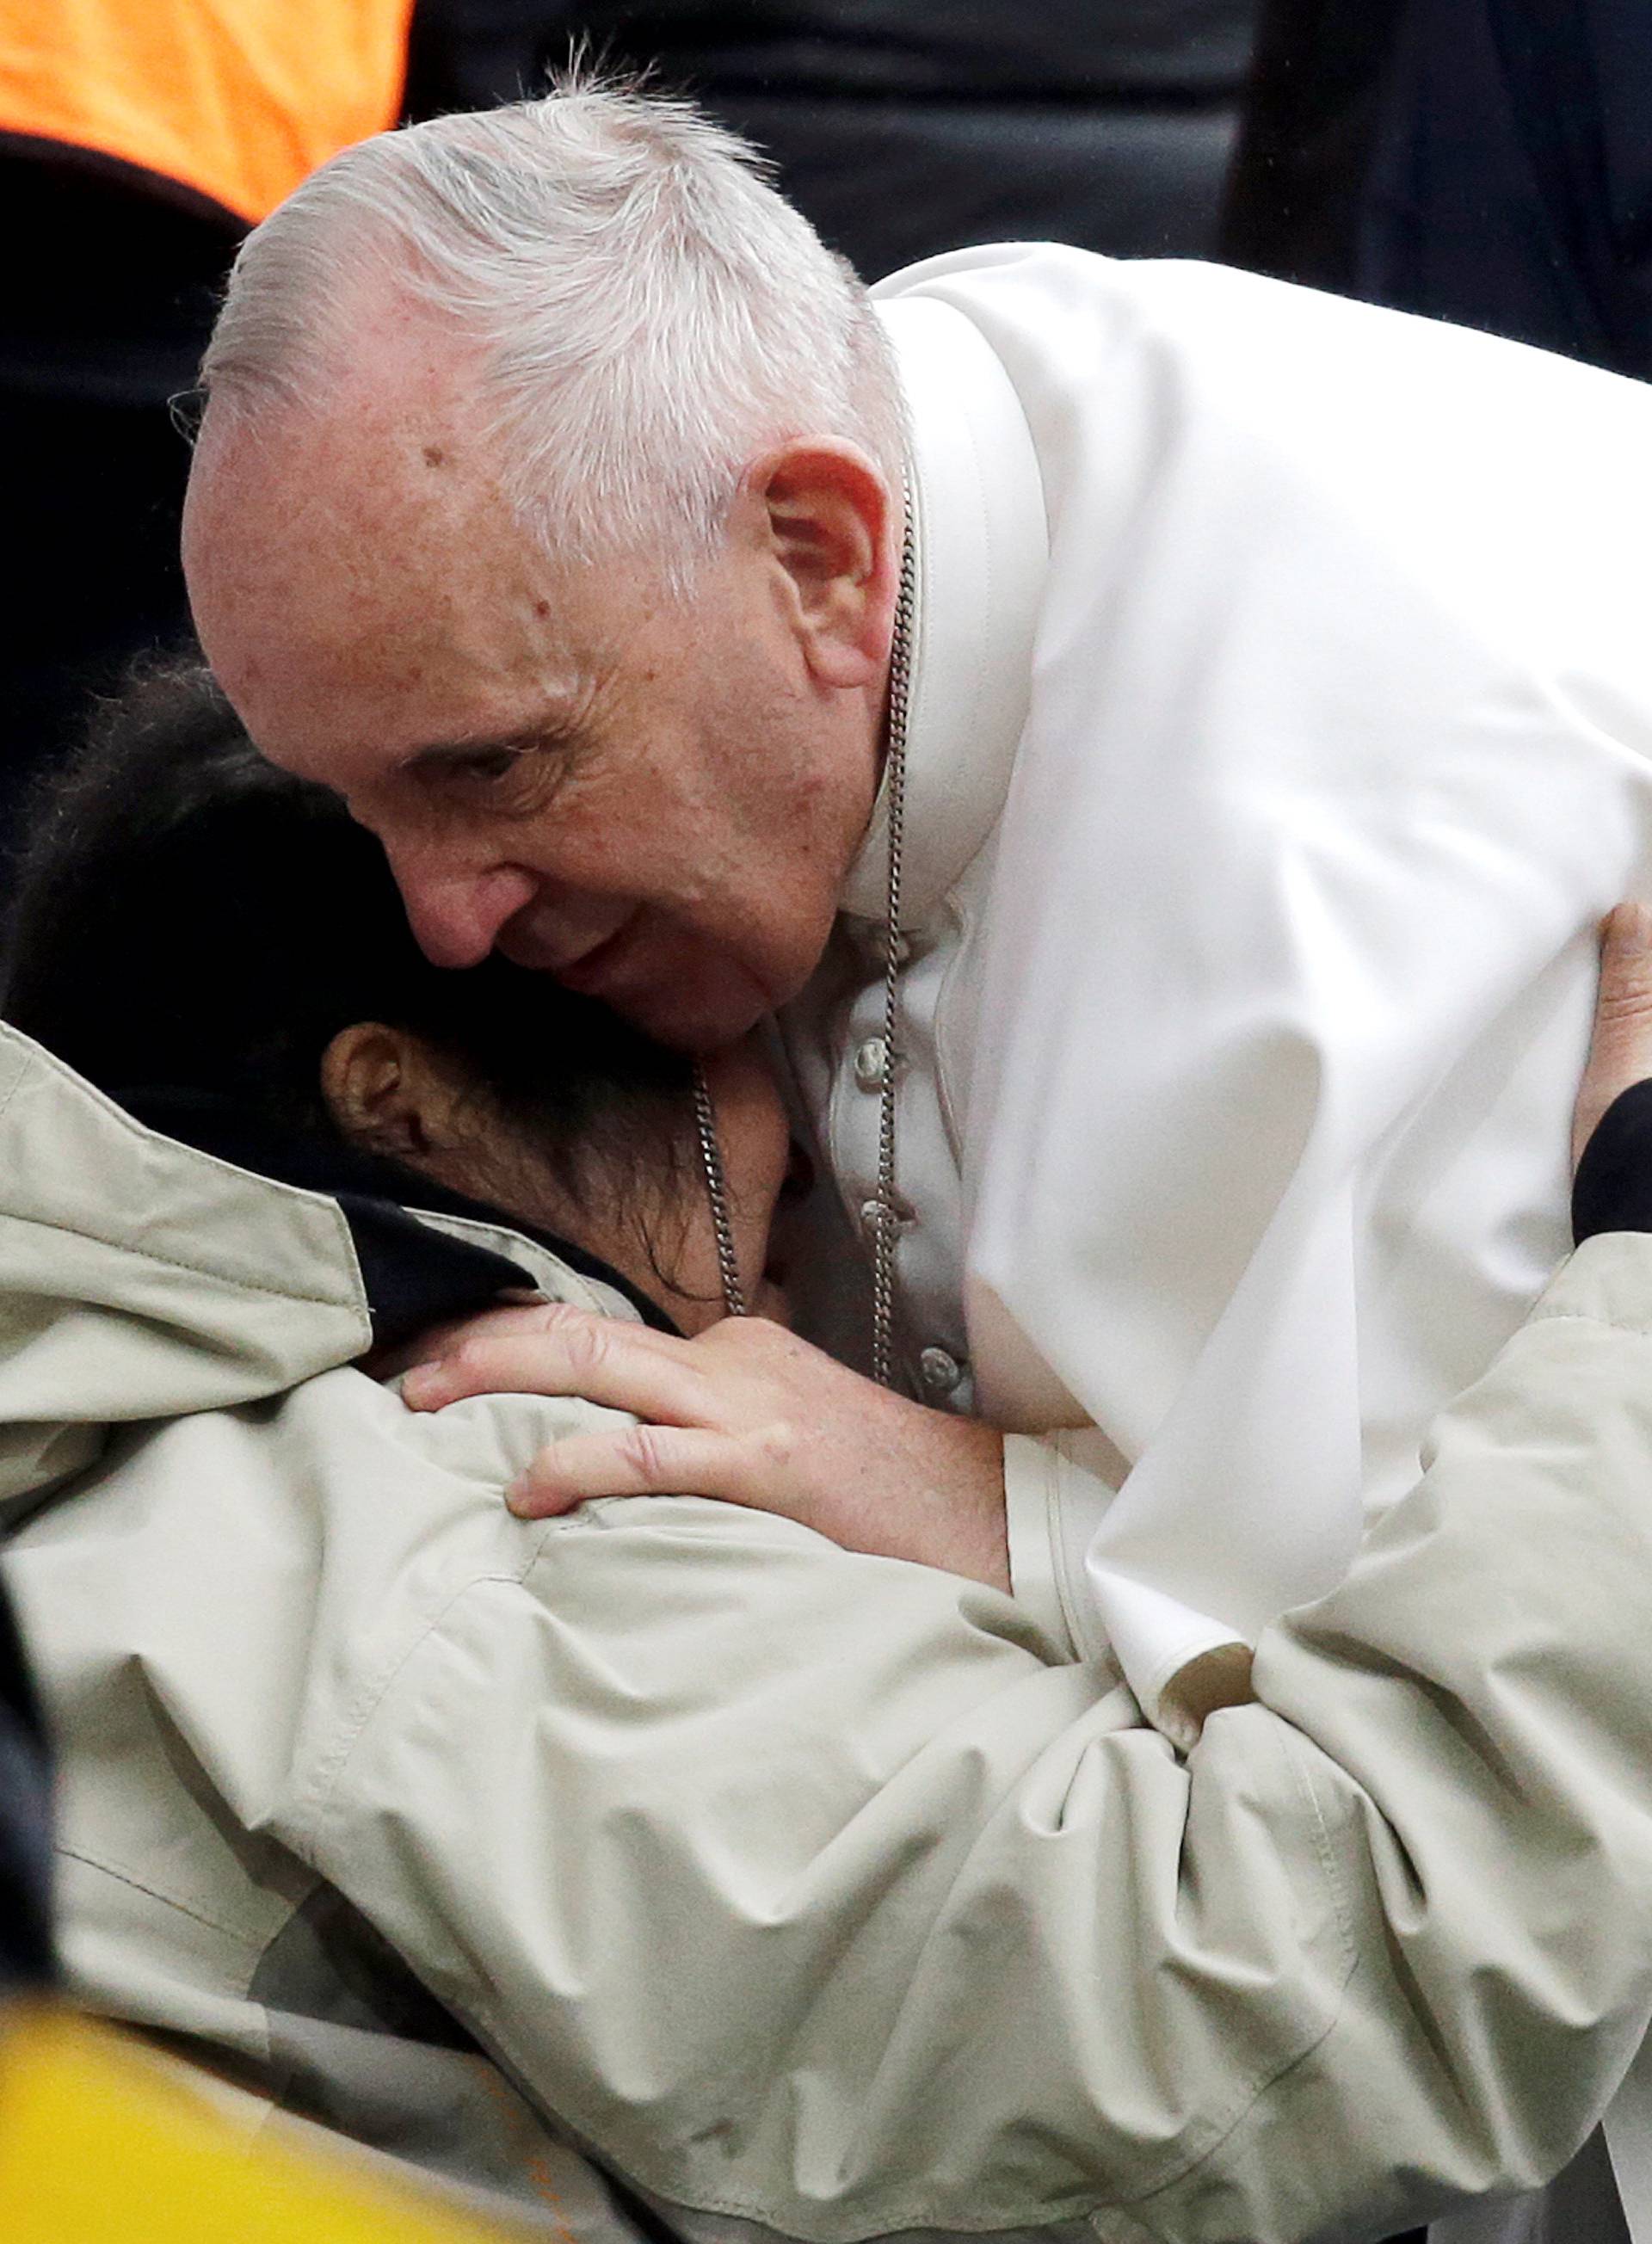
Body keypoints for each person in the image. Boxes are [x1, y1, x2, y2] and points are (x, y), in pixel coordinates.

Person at [9, 671, 1652, 2243]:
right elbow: (1328, 1984)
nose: (821, 1146)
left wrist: (1019, 1521)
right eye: (705, 1035)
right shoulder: (470, 1530)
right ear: (408, 1105)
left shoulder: (122, 1456)